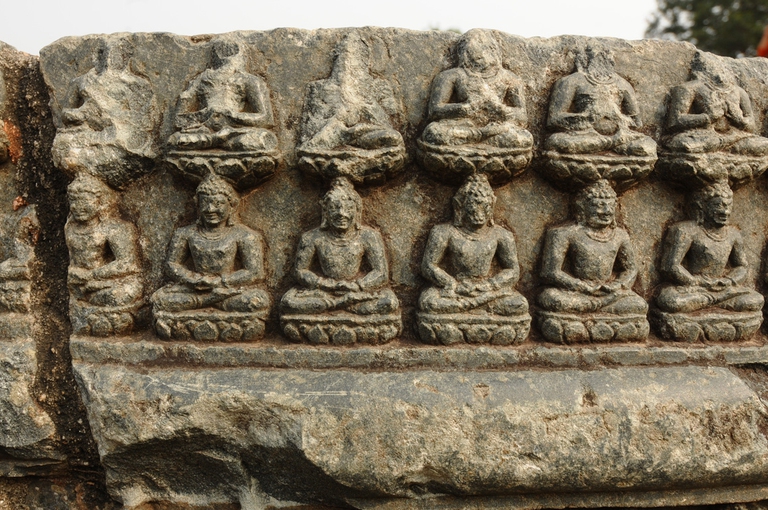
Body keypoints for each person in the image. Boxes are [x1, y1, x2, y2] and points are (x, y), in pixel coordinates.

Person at [151, 174, 269, 313]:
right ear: (198, 205)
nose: (210, 209)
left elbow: (255, 272)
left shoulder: (244, 235)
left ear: (232, 206)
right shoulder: (185, 233)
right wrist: (194, 279)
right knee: (160, 299)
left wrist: (220, 281)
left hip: (229, 289)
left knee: (257, 300)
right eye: (204, 203)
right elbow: (172, 265)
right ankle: (209, 300)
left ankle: (208, 301)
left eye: (218, 203)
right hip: (196, 289)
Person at [280, 177, 398, 315]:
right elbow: (300, 271)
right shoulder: (311, 237)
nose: (341, 213)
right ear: (325, 212)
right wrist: (323, 284)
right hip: (322, 291)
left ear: (357, 211)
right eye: (334, 208)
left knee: (389, 301)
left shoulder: (369, 236)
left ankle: (333, 306)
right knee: (288, 302)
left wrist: (356, 286)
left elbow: (381, 273)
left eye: (348, 208)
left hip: (357, 291)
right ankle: (345, 304)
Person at [419, 174, 527, 315]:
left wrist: (489, 285)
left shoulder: (501, 235)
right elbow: (429, 266)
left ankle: (471, 308)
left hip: (487, 291)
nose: (479, 213)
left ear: (492, 205)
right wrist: (452, 283)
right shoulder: (443, 232)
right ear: (459, 206)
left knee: (519, 304)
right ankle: (478, 308)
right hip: (455, 289)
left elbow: (513, 270)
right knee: (429, 302)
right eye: (473, 205)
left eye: (485, 206)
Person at [538, 180, 647, 315]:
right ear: (582, 208)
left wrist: (618, 285)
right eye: (599, 205)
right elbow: (550, 272)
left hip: (609, 293)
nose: (607, 211)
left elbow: (631, 269)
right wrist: (580, 286)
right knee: (552, 299)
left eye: (611, 206)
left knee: (639, 304)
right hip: (576, 293)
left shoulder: (620, 235)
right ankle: (594, 310)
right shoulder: (564, 233)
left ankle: (594, 309)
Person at [656, 181, 763, 313]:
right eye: (718, 205)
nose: (725, 211)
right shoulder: (686, 230)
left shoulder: (733, 234)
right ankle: (713, 303)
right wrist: (696, 281)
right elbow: (670, 265)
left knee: (755, 300)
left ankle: (712, 302)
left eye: (728, 206)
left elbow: (742, 266)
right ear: (702, 207)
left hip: (723, 289)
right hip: (695, 288)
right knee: (671, 300)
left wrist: (729, 280)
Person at [420, 29, 532, 150]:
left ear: (495, 51)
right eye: (471, 52)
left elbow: (522, 116)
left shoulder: (509, 78)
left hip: (497, 128)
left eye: (488, 49)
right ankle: (480, 136)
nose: (481, 57)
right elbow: (435, 110)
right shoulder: (452, 75)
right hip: (462, 126)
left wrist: (500, 109)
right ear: (463, 53)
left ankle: (481, 137)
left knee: (523, 138)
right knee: (434, 132)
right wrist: (464, 108)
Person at [53, 39, 156, 172]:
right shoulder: (82, 81)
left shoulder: (137, 84)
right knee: (63, 143)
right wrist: (80, 115)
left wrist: (109, 117)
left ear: (126, 58)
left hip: (121, 134)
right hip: (89, 132)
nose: (110, 59)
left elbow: (144, 120)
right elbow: (65, 114)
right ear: (98, 56)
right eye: (105, 54)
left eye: (117, 54)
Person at [298, 32, 403, 152]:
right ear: (335, 55)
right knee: (311, 148)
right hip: (333, 132)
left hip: (365, 133)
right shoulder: (318, 87)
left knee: (394, 138)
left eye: (356, 55)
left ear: (365, 59)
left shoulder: (379, 86)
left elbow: (389, 124)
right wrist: (339, 118)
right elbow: (309, 130)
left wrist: (367, 107)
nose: (348, 61)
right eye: (344, 55)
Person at [544, 45, 656, 157]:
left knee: (647, 146)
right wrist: (587, 117)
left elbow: (636, 122)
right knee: (556, 142)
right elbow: (554, 119)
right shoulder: (571, 81)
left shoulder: (622, 84)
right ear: (583, 58)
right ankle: (611, 144)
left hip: (621, 135)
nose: (601, 56)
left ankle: (608, 144)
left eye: (606, 53)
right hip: (584, 135)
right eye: (593, 52)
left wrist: (619, 118)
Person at [167, 40, 277, 152]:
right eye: (222, 53)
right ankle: (218, 139)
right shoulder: (202, 79)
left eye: (234, 53)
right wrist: (206, 114)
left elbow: (266, 119)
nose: (227, 59)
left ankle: (214, 140)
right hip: (205, 130)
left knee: (260, 139)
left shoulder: (249, 80)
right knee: (175, 140)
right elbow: (179, 120)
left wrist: (233, 115)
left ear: (242, 57)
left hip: (237, 132)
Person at [663, 51, 768, 156]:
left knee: (763, 145)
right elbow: (675, 121)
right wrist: (707, 117)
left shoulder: (738, 91)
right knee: (686, 145)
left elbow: (751, 125)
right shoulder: (690, 88)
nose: (720, 75)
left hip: (735, 137)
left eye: (723, 70)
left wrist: (739, 119)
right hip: (703, 135)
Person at [65, 173, 143, 308]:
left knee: (123, 293)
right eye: (74, 201)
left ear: (100, 203)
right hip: (82, 284)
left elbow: (128, 263)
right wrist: (78, 275)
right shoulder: (70, 228)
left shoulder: (114, 228)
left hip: (108, 282)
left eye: (84, 201)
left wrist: (92, 275)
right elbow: (73, 262)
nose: (78, 206)